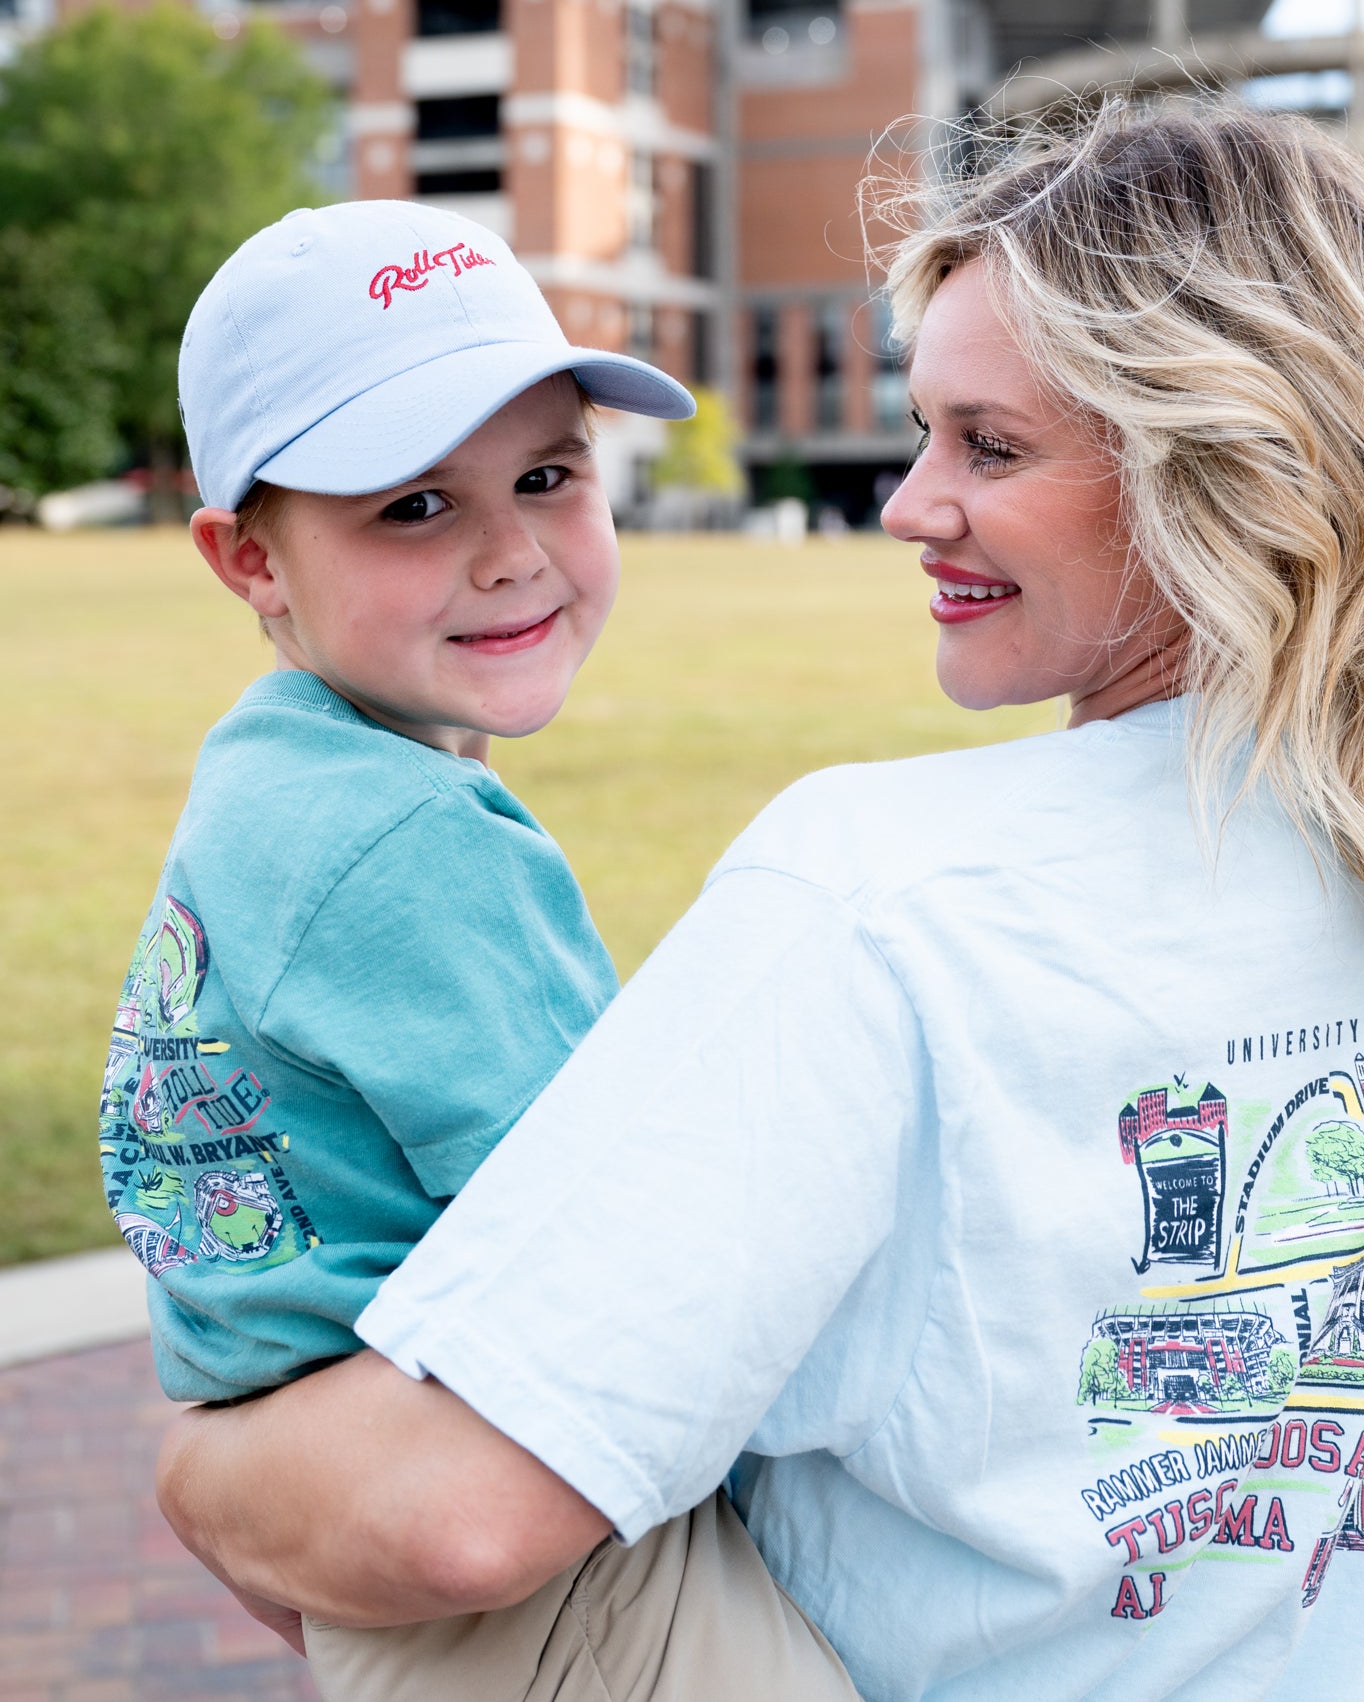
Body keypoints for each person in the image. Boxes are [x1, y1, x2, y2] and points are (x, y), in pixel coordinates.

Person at [158, 111, 1364, 1702]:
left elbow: (456, 1515)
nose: (909, 503)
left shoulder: (875, 903)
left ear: (1223, 463)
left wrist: (200, 1473)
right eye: (922, 431)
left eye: (991, 444)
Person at [101, 199, 859, 1702]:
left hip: (366, 1521)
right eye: (416, 507)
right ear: (249, 559)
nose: (515, 553)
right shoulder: (407, 843)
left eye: (546, 474)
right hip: (534, 1554)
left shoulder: (275, 778)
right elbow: (629, 1226)